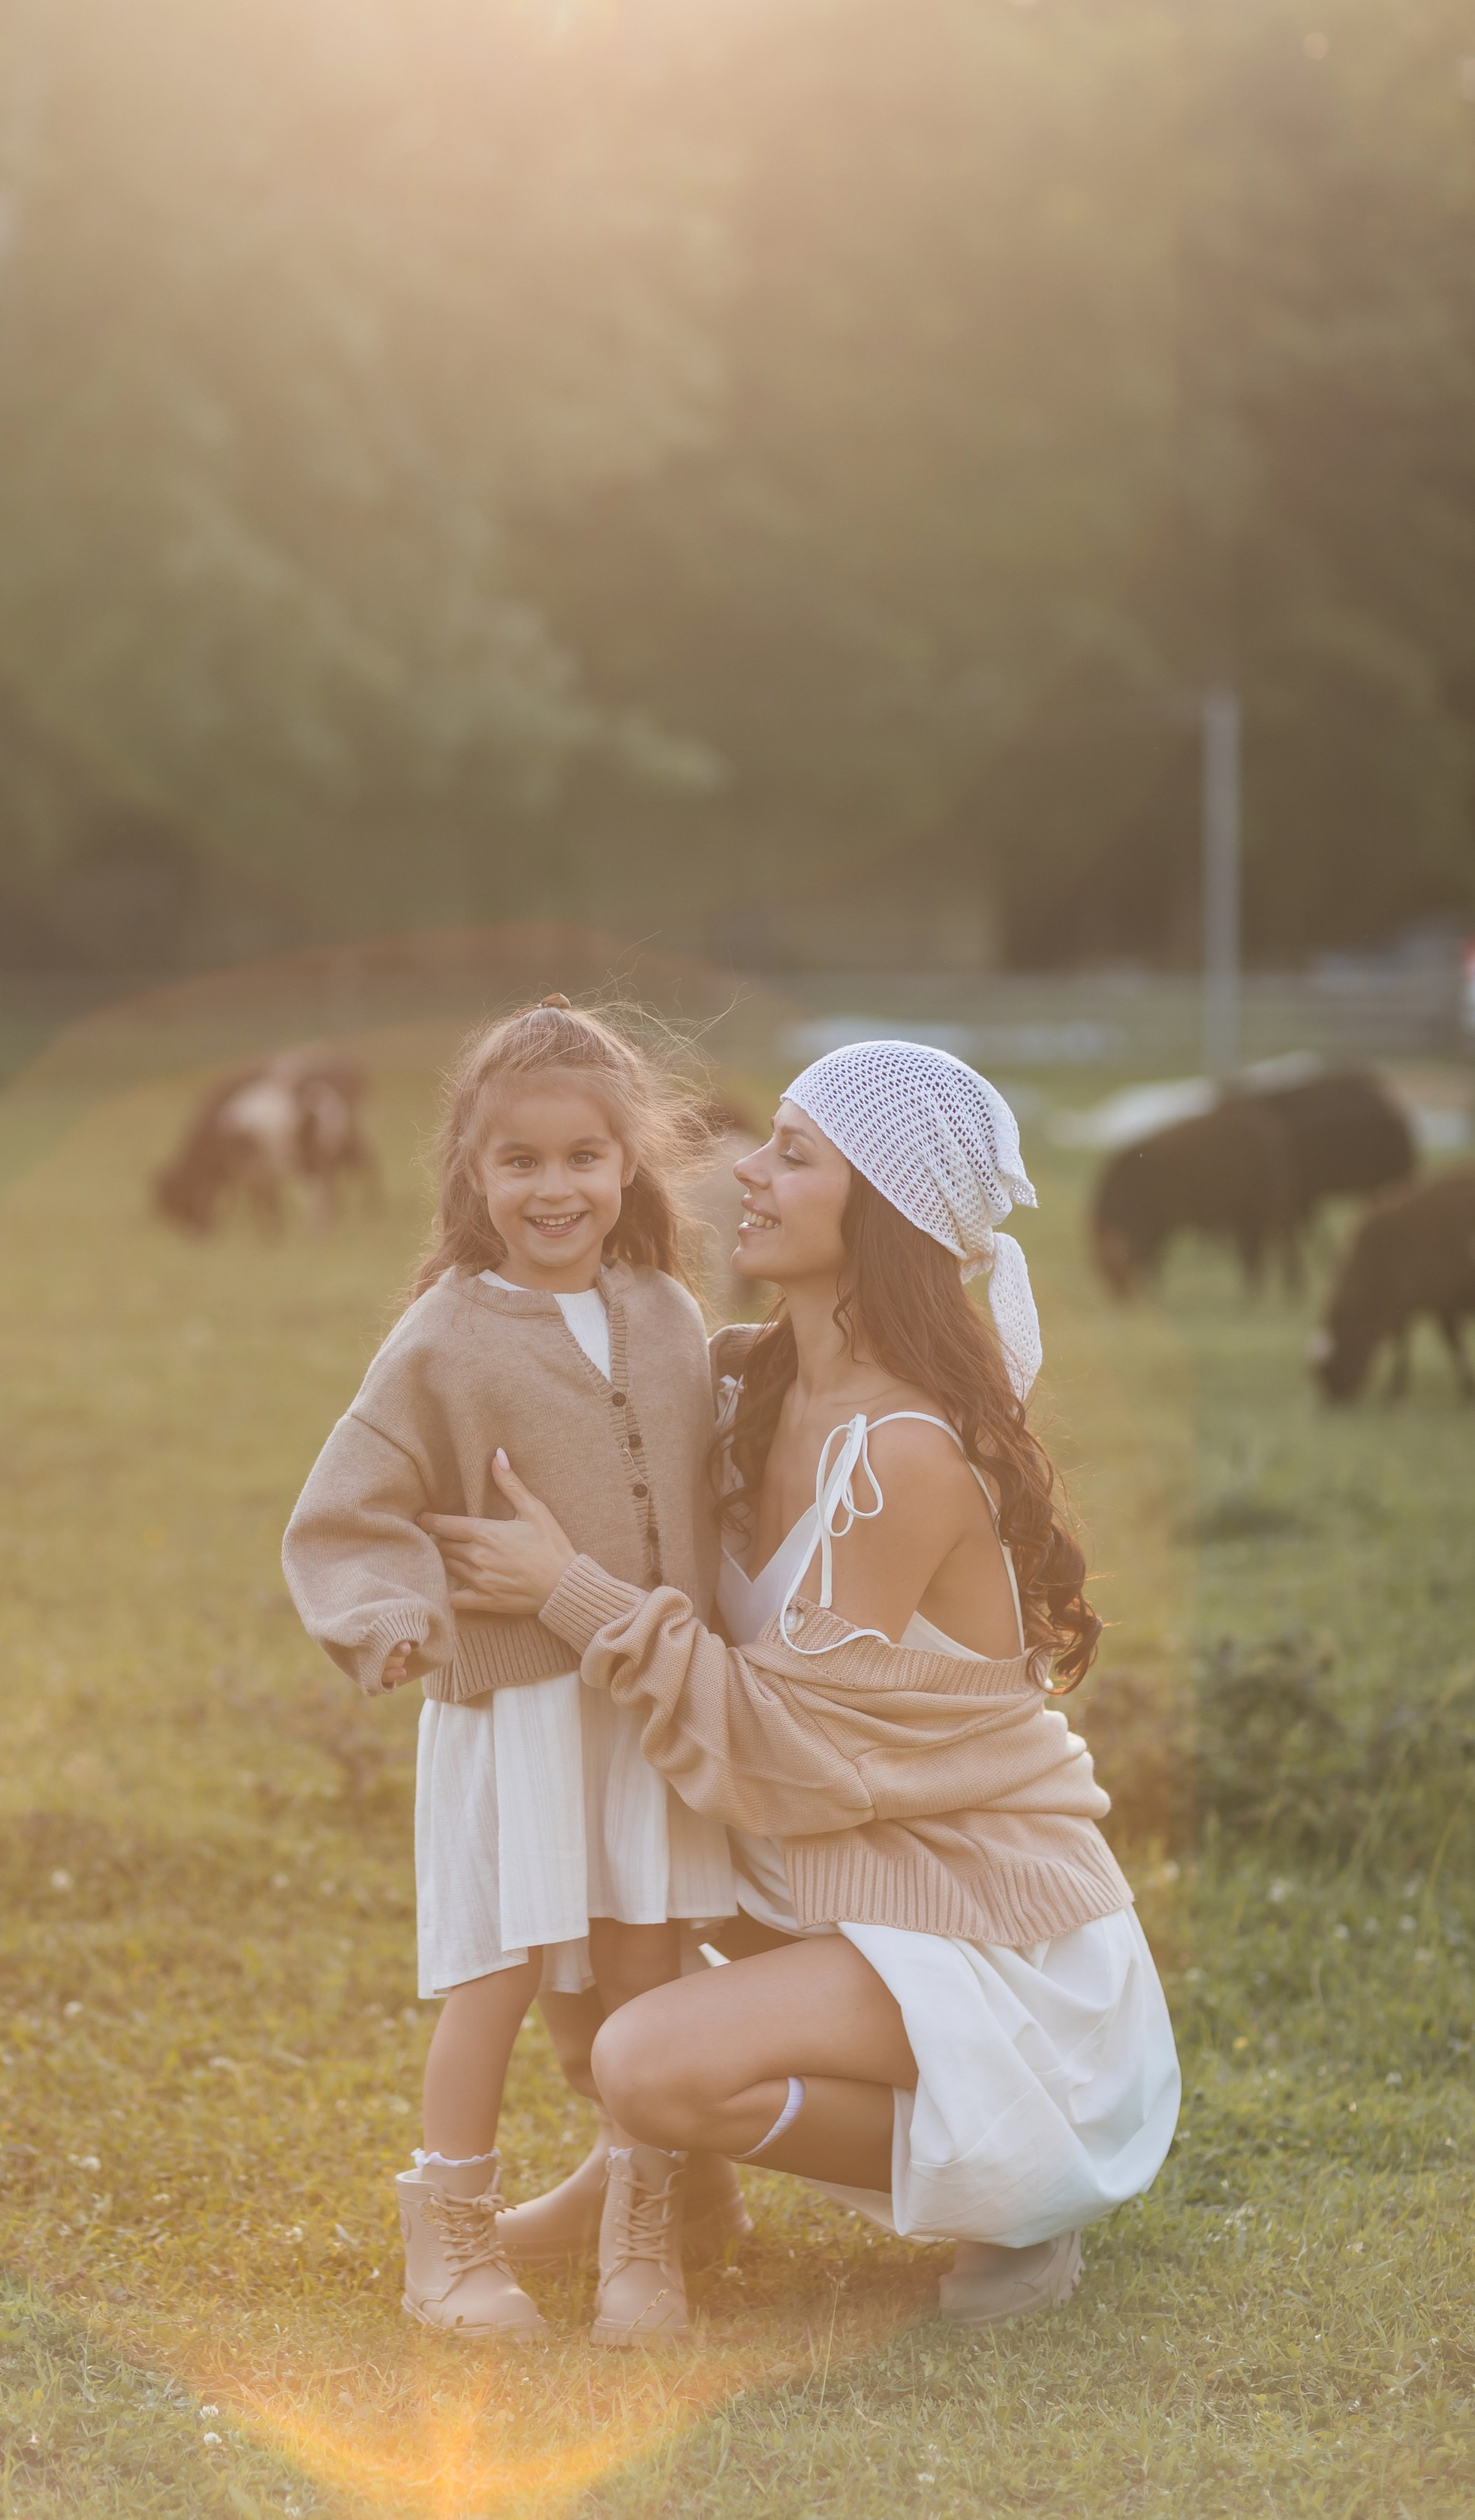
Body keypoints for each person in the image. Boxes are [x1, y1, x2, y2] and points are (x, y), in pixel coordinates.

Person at [428, 1041, 1181, 2329]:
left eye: (793, 1153)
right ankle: (677, 2191)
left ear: (876, 1207)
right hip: (835, 1879)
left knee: (644, 2053)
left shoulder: (904, 1456)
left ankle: (1018, 2184)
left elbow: (775, 1749)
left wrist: (566, 1588)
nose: (748, 1172)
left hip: (990, 1934)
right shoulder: (737, 1381)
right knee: (585, 1964)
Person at [280, 998, 742, 2344]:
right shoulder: (444, 1336)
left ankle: (642, 2239)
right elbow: (350, 1504)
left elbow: (714, 1475)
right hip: (515, 1703)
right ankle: (453, 2243)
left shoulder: (664, 1313)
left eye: (584, 1158)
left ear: (628, 1167)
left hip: (641, 1698)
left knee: (643, 1961)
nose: (556, 1188)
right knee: (500, 1966)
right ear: (472, 1178)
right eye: (520, 1162)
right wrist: (389, 1619)